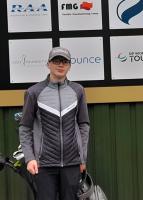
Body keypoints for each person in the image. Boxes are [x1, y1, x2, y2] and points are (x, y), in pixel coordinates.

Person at [19, 46, 90, 200]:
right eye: (56, 61)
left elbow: (84, 125)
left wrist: (82, 158)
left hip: (72, 163)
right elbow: (25, 128)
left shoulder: (78, 90)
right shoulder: (34, 92)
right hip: (44, 164)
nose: (60, 65)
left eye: (64, 61)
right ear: (48, 64)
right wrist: (30, 158)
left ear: (69, 66)